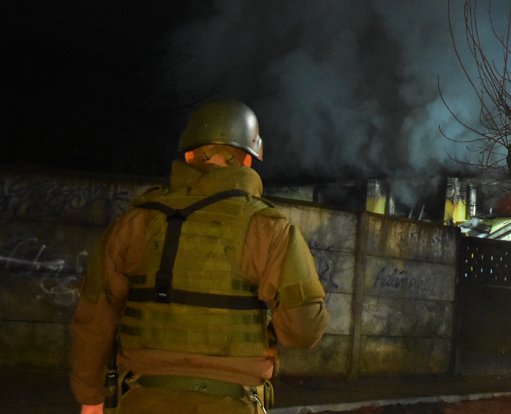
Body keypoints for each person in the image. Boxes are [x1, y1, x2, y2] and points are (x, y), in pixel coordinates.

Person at [70, 100, 328, 413]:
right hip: (232, 402)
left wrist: (90, 397)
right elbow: (303, 331)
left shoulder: (135, 221)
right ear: (247, 159)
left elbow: (94, 318)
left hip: (142, 399)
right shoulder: (269, 228)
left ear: (190, 154)